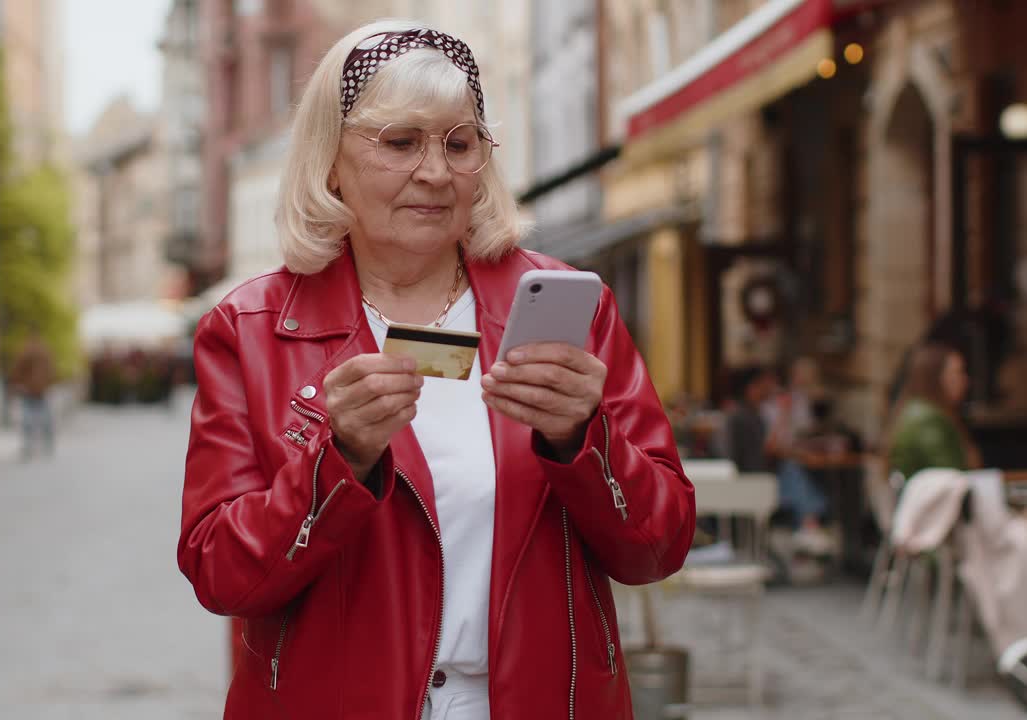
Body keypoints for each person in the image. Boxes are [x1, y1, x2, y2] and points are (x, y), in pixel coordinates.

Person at [177, 21, 696, 720]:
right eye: (400, 142)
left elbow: (657, 550)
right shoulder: (251, 330)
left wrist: (581, 441)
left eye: (459, 143)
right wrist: (339, 462)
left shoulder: (569, 308)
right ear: (330, 161)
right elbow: (221, 575)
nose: (435, 171)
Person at [725, 366, 831, 556]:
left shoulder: (748, 413)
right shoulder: (746, 416)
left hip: (755, 477)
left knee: (794, 470)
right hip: (754, 480)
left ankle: (809, 522)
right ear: (752, 388)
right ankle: (809, 523)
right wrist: (783, 413)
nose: (768, 390)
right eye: (764, 385)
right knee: (792, 470)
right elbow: (769, 449)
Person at [886, 343, 981, 481]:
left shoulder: (918, 410)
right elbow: (950, 477)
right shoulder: (928, 420)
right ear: (935, 377)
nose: (965, 380)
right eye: (958, 372)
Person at [10, 329, 55, 459]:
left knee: (28, 418)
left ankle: (29, 445)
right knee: (45, 418)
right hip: (41, 389)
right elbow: (51, 370)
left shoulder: (26, 352)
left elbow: (17, 369)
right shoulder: (45, 352)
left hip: (29, 389)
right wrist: (49, 383)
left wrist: (15, 384)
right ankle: (47, 443)